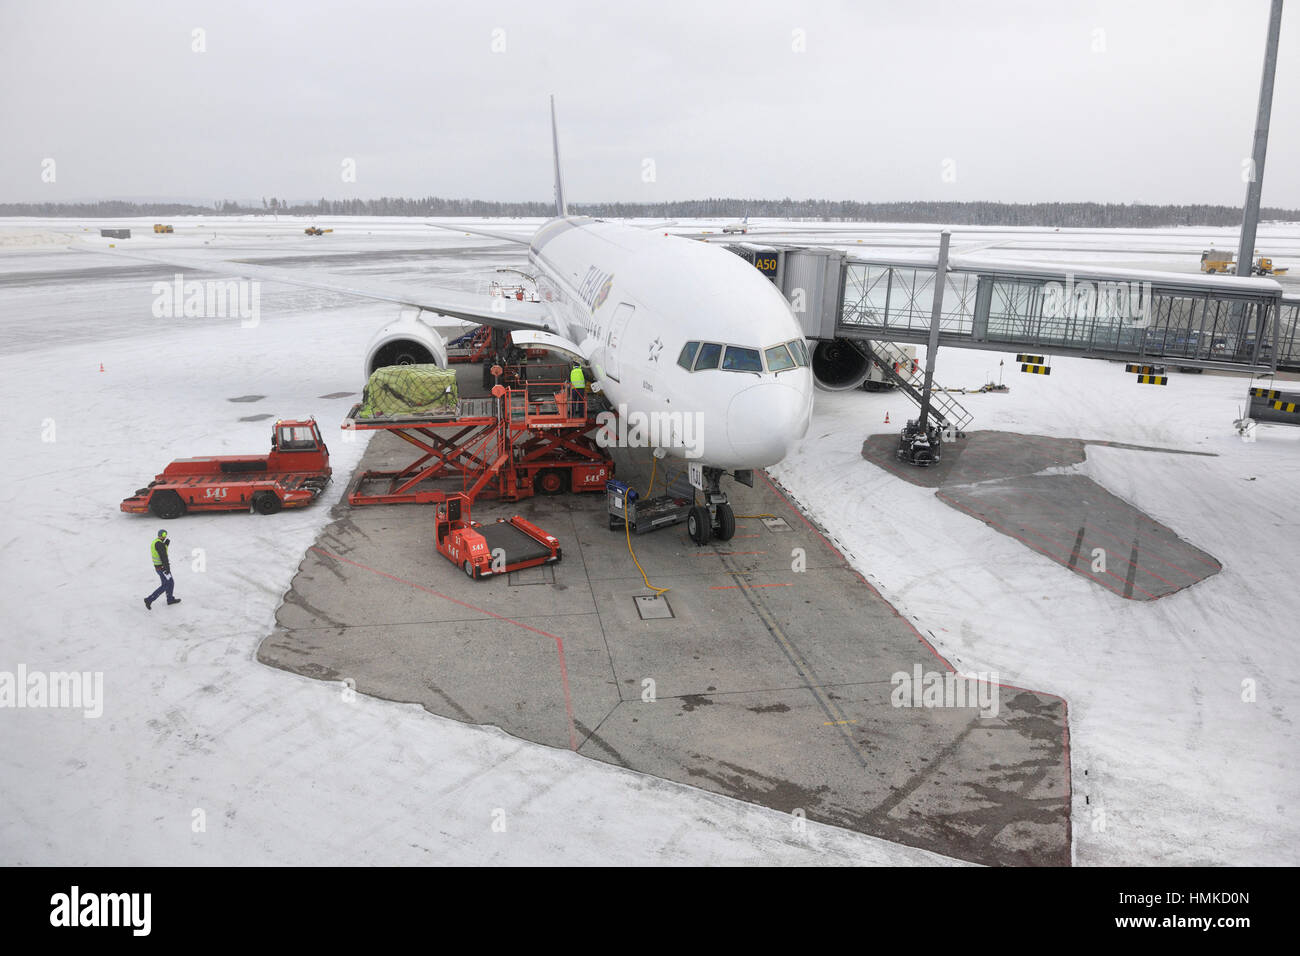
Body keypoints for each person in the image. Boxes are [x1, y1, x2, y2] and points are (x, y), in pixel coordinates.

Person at [144, 529, 181, 609]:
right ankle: (149, 599)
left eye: (165, 534)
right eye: (163, 534)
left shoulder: (156, 542)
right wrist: (167, 568)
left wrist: (166, 546)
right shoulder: (160, 544)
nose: (164, 536)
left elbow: (160, 551)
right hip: (162, 568)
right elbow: (163, 556)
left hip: (159, 567)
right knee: (166, 584)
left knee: (170, 583)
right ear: (160, 535)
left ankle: (170, 599)